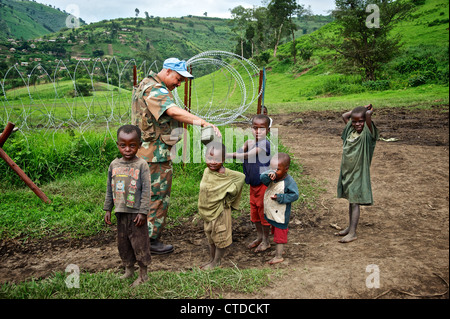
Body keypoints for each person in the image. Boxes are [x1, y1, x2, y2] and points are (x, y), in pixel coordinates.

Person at [131, 57, 221, 255]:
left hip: (145, 152)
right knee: (157, 196)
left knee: (144, 195)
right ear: (168, 71)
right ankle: (150, 240)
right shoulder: (156, 89)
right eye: (178, 78)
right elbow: (172, 111)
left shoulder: (145, 83)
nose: (179, 84)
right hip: (155, 155)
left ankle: (138, 235)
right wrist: (202, 122)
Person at [104, 125, 151, 287]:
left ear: (139, 145)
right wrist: (107, 208)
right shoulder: (114, 165)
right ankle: (129, 270)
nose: (128, 149)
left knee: (140, 244)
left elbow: (146, 191)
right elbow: (109, 188)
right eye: (123, 145)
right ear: (118, 144)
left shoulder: (141, 165)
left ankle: (143, 275)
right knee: (123, 243)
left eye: (132, 145)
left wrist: (143, 212)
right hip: (120, 213)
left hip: (136, 215)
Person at [226, 114, 272, 253]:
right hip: (253, 184)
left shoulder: (265, 144)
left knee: (263, 213)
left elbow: (248, 155)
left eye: (262, 129)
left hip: (263, 184)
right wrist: (231, 152)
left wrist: (228, 155)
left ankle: (266, 241)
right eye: (255, 128)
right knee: (255, 213)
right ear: (251, 129)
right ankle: (259, 237)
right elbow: (241, 153)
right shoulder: (249, 143)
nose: (258, 131)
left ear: (268, 131)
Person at [197, 142, 245, 269]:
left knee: (220, 238)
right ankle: (212, 259)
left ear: (223, 160)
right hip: (207, 212)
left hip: (219, 212)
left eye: (217, 159)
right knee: (211, 237)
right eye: (209, 158)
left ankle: (216, 262)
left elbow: (241, 177)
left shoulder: (225, 174)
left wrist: (228, 198)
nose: (212, 162)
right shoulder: (207, 171)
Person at [336, 104, 379, 243]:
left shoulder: (367, 135)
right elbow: (344, 116)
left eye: (360, 121)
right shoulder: (350, 132)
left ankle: (353, 233)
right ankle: (350, 227)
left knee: (355, 202)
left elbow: (367, 118)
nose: (357, 124)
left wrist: (366, 113)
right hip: (348, 173)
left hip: (358, 173)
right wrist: (356, 111)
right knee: (351, 200)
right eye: (354, 121)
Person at [260, 153, 299, 265]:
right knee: (275, 231)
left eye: (277, 169)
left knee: (279, 235)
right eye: (271, 168)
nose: (274, 171)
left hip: (281, 215)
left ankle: (279, 256)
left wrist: (280, 197)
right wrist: (269, 173)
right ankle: (279, 249)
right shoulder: (272, 177)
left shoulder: (288, 182)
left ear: (286, 169)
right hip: (273, 212)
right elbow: (262, 178)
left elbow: (294, 195)